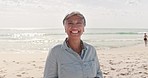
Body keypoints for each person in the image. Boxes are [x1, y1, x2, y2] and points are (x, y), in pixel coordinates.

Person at [44, 11, 103, 78]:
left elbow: (98, 74)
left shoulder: (91, 50)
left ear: (83, 28)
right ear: (65, 28)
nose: (74, 27)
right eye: (70, 23)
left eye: (79, 23)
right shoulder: (55, 52)